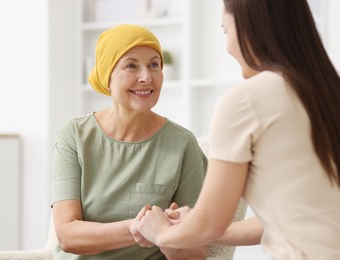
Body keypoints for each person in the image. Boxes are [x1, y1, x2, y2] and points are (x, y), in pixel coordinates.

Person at [132, 0, 340, 259]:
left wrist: (160, 232)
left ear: (249, 28)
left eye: (225, 31)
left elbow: (210, 222)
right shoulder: (328, 91)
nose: (227, 46)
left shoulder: (246, 100)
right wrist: (192, 225)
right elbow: (294, 216)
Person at [51, 24, 209, 259]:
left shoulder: (183, 144)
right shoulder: (74, 135)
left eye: (154, 65)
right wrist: (139, 228)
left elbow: (195, 253)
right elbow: (67, 235)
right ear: (108, 77)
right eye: (131, 66)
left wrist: (169, 237)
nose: (146, 77)